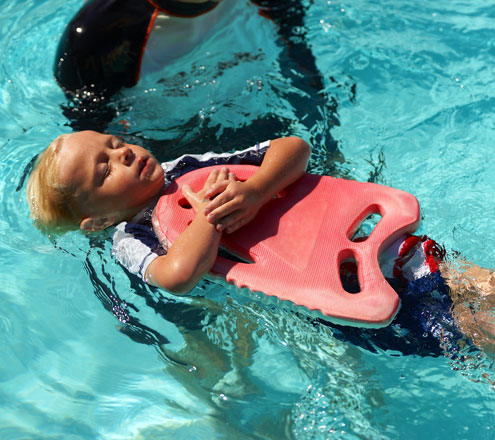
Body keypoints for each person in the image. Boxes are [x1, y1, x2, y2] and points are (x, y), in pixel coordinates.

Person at [26, 130, 495, 355]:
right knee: (465, 336)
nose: (122, 152)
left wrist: (255, 189)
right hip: (334, 294)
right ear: (98, 221)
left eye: (112, 143)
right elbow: (176, 277)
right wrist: (208, 219)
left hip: (375, 243)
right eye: (105, 170)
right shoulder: (130, 237)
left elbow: (292, 148)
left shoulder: (190, 168)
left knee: (477, 288)